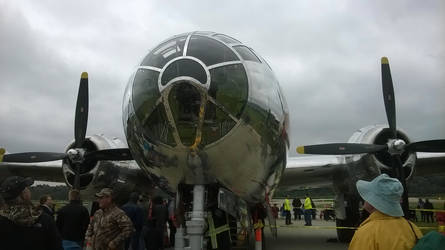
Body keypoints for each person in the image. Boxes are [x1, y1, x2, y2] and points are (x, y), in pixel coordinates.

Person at [349, 174, 422, 250]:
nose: (364, 199)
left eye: (368, 196)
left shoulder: (366, 233)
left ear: (373, 202)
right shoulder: (412, 228)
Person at [0, 176, 62, 250]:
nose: (29, 191)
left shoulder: (2, 221)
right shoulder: (44, 220)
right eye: (27, 188)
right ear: (23, 195)